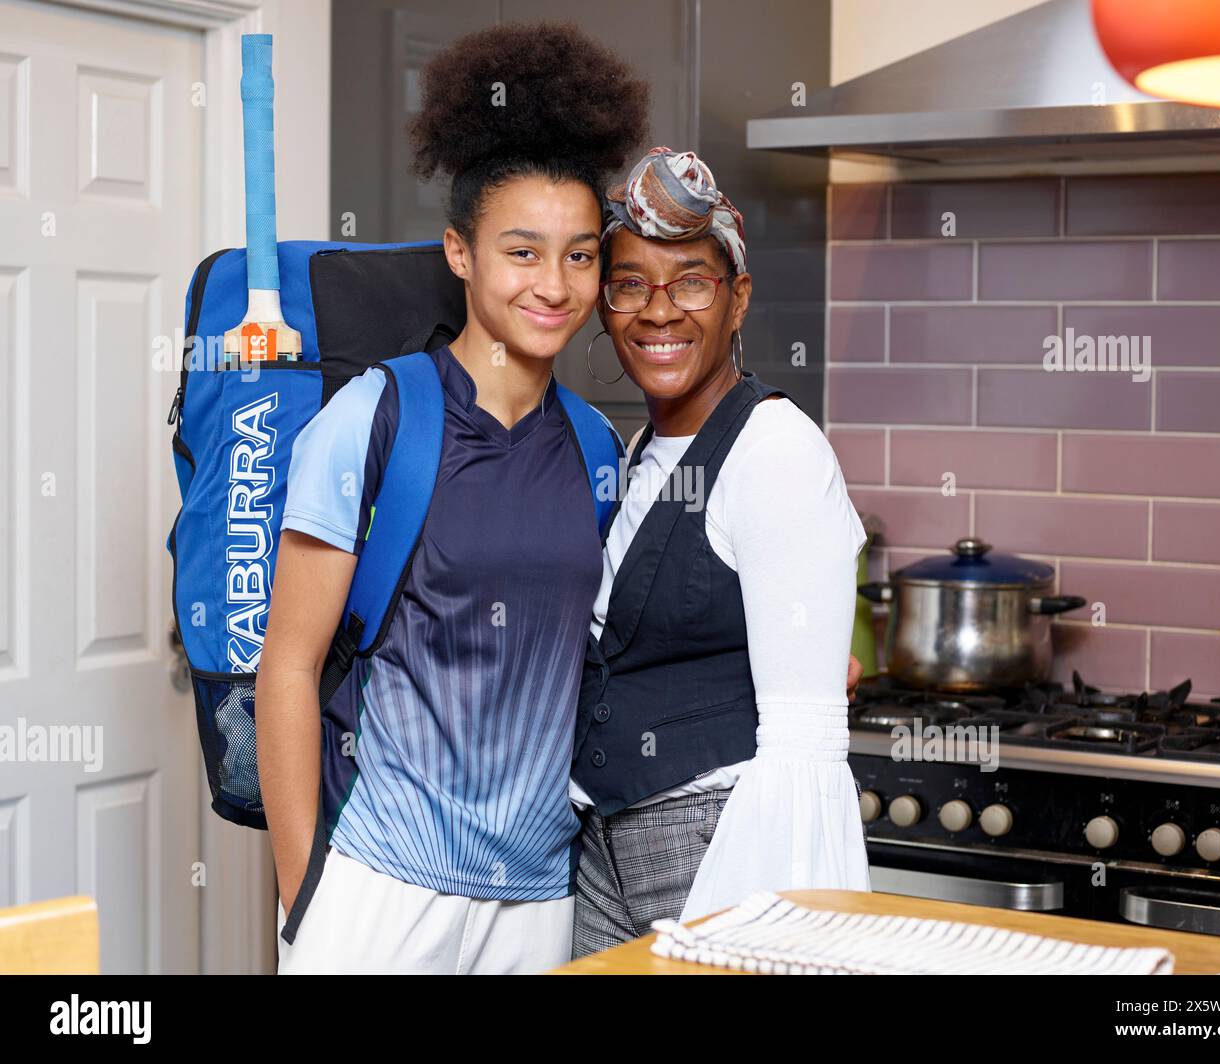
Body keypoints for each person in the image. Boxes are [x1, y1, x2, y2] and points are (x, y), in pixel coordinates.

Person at [255, 22, 647, 974]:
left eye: (581, 256)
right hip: (380, 886)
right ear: (461, 253)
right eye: (522, 251)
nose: (553, 285)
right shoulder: (378, 418)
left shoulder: (598, 446)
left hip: (535, 902)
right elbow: (288, 668)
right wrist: (309, 892)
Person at [569, 147, 871, 956]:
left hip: (714, 840)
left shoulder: (775, 448)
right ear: (605, 305)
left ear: (737, 300)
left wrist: (772, 927)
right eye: (630, 284)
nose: (659, 311)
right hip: (601, 844)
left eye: (692, 283)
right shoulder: (638, 450)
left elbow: (805, 744)